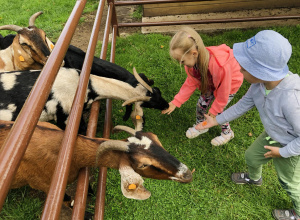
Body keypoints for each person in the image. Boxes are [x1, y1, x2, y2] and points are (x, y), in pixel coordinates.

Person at [196, 30, 300, 220]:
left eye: (244, 68)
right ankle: (255, 179)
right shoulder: (259, 85)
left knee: (289, 183)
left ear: (261, 72)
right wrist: (215, 120)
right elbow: (242, 105)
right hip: (272, 135)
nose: (240, 70)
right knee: (251, 157)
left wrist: (282, 153)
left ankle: (298, 212)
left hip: (290, 147)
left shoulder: (291, 99)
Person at [161, 26, 243, 146]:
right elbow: (190, 83)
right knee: (201, 104)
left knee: (219, 113)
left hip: (229, 85)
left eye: (182, 61)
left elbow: (223, 92)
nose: (181, 64)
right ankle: (202, 126)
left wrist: (215, 110)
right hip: (211, 82)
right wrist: (176, 102)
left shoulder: (219, 66)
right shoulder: (192, 65)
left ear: (194, 53)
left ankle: (227, 133)